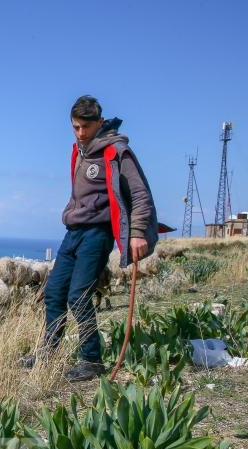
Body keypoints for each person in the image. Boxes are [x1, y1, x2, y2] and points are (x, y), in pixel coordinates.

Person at [26, 96, 158, 381]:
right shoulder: (80, 151)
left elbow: (139, 194)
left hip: (97, 234)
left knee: (79, 296)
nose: (81, 132)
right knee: (54, 292)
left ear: (99, 122)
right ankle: (48, 353)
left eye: (86, 126)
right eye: (75, 127)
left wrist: (137, 233)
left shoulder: (116, 151)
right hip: (73, 233)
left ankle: (92, 359)